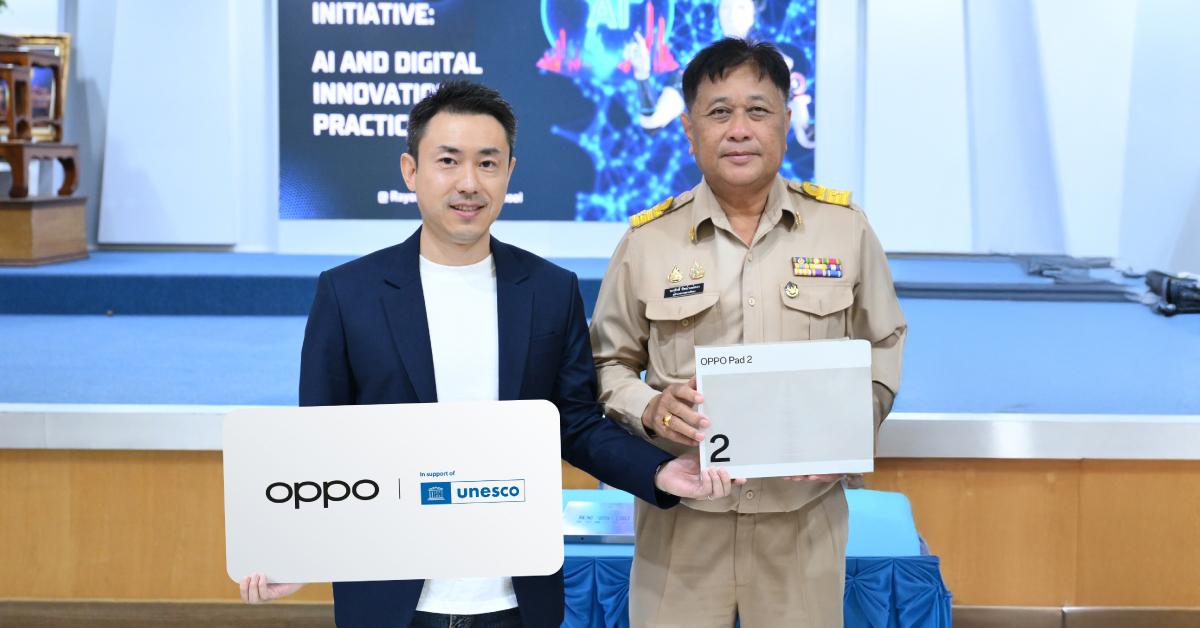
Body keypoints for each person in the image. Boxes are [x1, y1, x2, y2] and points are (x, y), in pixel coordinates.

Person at [238, 80, 734, 628]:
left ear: (509, 173)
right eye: (448, 161)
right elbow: (320, 443)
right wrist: (298, 550)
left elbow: (575, 424)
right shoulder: (347, 293)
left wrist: (661, 471)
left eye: (488, 163)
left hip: (513, 599)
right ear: (410, 170)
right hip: (390, 599)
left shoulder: (549, 290)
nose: (469, 183)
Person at [590, 38, 907, 627]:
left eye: (757, 110)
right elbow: (607, 363)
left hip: (803, 522)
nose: (739, 129)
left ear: (785, 121)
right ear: (689, 130)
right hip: (682, 519)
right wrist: (650, 407)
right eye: (719, 112)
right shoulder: (647, 242)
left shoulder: (845, 231)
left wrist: (849, 427)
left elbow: (883, 342)